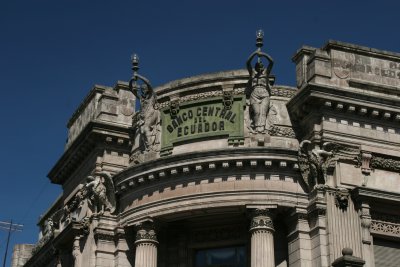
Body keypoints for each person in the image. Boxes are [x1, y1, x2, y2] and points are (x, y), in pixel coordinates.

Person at [246, 50, 274, 133]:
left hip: (264, 93)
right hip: (254, 93)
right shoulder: (253, 74)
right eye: (258, 67)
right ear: (256, 67)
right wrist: (254, 53)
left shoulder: (266, 73)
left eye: (261, 66)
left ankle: (262, 129)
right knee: (257, 112)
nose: (260, 68)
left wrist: (264, 54)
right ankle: (256, 128)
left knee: (263, 112)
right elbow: (248, 63)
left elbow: (271, 62)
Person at [130, 73, 159, 151]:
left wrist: (138, 76)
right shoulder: (141, 98)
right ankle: (148, 147)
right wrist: (132, 80)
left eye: (145, 89)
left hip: (151, 114)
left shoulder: (151, 96)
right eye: (142, 89)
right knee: (142, 131)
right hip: (144, 116)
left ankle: (150, 146)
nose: (143, 90)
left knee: (145, 129)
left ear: (147, 89)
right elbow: (131, 89)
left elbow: (147, 82)